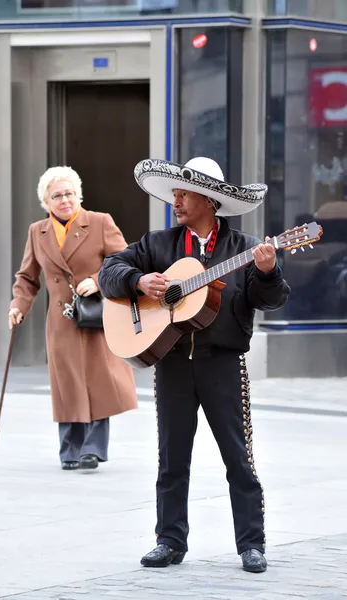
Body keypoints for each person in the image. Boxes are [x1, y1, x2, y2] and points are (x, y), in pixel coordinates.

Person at [98, 157, 291, 572]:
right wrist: (139, 281)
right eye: (175, 194)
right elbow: (108, 272)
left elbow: (270, 299)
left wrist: (269, 271)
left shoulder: (244, 248)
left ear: (209, 200)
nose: (176, 200)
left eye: (183, 194)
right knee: (172, 457)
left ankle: (251, 544)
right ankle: (169, 540)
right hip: (171, 362)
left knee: (238, 457)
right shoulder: (158, 244)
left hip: (222, 363)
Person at [8, 166, 138, 471]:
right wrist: (18, 305)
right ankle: (69, 450)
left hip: (96, 314)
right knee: (67, 383)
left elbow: (125, 260)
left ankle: (93, 448)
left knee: (99, 378)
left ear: (78, 194)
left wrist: (97, 280)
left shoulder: (100, 222)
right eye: (57, 195)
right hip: (61, 319)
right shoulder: (37, 232)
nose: (64, 200)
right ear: (46, 201)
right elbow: (28, 277)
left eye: (69, 193)